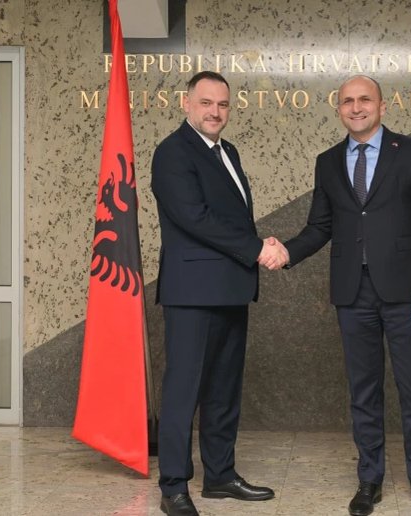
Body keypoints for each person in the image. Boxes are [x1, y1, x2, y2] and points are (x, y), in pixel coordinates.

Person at [280, 75, 411, 516]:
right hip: (352, 294)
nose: (356, 108)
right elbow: (320, 226)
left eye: (364, 100)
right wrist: (286, 252)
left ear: (382, 106)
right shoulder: (328, 162)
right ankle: (369, 479)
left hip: (407, 293)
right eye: (347, 101)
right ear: (338, 109)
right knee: (363, 391)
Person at [151, 70, 286, 516]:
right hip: (192, 293)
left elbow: (231, 216)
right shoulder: (172, 152)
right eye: (206, 102)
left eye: (222, 104)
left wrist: (254, 248)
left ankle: (220, 475)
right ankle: (173, 486)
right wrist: (257, 248)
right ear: (186, 104)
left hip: (230, 287)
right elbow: (194, 217)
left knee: (224, 390)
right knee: (183, 392)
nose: (215, 111)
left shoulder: (228, 151)